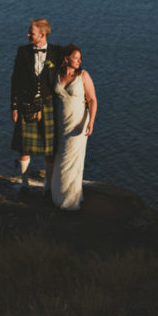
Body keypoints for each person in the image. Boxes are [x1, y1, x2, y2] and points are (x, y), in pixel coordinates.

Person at [10, 18, 59, 195]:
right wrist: (14, 106)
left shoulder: (57, 52)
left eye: (31, 33)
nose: (27, 35)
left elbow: (72, 72)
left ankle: (48, 187)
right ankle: (24, 185)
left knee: (49, 148)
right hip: (26, 103)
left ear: (43, 34)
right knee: (24, 147)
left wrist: (83, 98)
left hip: (48, 105)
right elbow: (15, 79)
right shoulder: (22, 52)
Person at [50, 44, 97, 211]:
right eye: (76, 57)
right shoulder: (56, 74)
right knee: (60, 160)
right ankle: (57, 197)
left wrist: (91, 122)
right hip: (60, 123)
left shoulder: (83, 75)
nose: (79, 61)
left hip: (78, 124)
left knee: (72, 162)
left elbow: (92, 100)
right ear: (66, 58)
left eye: (80, 58)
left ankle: (69, 202)